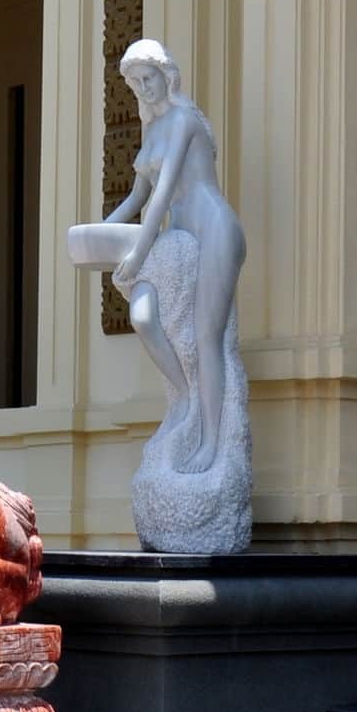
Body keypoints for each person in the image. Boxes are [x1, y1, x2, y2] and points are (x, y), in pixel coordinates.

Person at [66, 40, 246, 475]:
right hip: (175, 238)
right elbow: (139, 196)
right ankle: (184, 397)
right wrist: (99, 236)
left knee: (208, 338)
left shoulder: (184, 119)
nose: (144, 88)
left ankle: (210, 443)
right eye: (136, 82)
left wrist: (137, 251)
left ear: (168, 76)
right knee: (144, 317)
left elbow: (163, 195)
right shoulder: (151, 130)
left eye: (150, 78)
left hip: (213, 229)